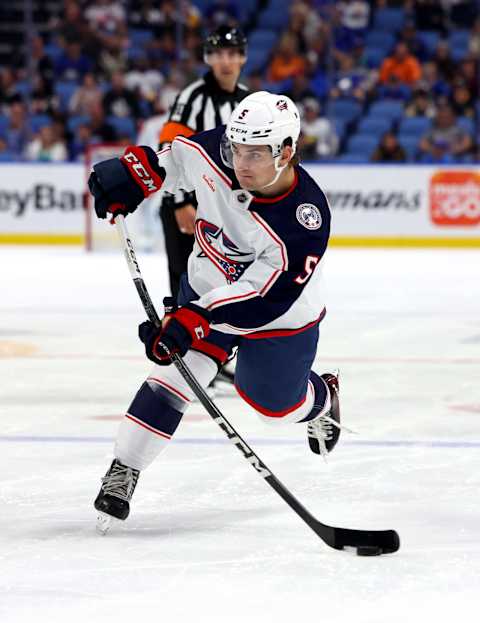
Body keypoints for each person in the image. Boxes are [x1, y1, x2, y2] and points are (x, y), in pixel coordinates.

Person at [88, 91, 342, 531]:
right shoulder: (219, 153)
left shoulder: (304, 221)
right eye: (235, 149)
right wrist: (139, 174)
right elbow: (177, 161)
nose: (240, 162)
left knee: (273, 403)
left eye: (255, 154)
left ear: (286, 151)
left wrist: (193, 318)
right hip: (206, 288)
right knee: (175, 374)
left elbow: (262, 294)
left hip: (278, 316)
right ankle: (126, 467)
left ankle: (323, 399)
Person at [158, 25, 249, 300]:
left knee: (227, 284)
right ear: (208, 58)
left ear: (242, 57)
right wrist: (180, 202)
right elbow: (168, 148)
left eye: (232, 54)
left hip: (226, 207)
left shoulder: (248, 100)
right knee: (185, 281)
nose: (226, 61)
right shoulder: (192, 97)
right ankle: (179, 339)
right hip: (188, 203)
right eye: (218, 54)